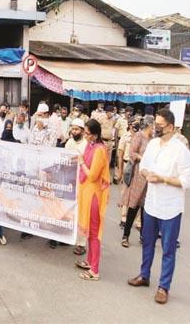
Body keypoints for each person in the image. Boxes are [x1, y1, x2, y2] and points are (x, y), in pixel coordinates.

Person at [128, 109, 190, 305]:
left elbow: (186, 181)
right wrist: (147, 174)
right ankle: (144, 275)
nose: (156, 128)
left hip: (170, 207)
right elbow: (144, 166)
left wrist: (163, 179)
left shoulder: (181, 150)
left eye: (160, 125)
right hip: (152, 204)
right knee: (147, 243)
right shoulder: (154, 144)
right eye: (155, 124)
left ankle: (163, 287)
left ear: (171, 127)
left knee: (168, 249)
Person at [75, 119, 111, 281]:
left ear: (95, 135)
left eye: (88, 133)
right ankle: (90, 261)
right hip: (86, 193)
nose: (85, 136)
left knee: (95, 234)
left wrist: (81, 163)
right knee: (90, 231)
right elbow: (81, 158)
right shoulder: (90, 146)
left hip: (94, 197)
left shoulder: (99, 150)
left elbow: (92, 175)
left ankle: (94, 270)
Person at [122, 117, 154, 247]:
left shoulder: (154, 140)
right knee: (133, 206)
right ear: (148, 126)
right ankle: (126, 235)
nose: (154, 129)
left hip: (150, 177)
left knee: (146, 208)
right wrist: (144, 158)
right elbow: (132, 153)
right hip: (138, 175)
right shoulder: (138, 136)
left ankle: (144, 235)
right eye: (153, 126)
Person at [65, 118, 88, 255]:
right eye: (72, 129)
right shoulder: (69, 143)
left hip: (82, 182)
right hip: (69, 180)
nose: (74, 131)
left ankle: (81, 243)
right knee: (68, 210)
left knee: (81, 213)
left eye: (76, 129)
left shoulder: (86, 145)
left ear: (82, 131)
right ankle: (67, 237)